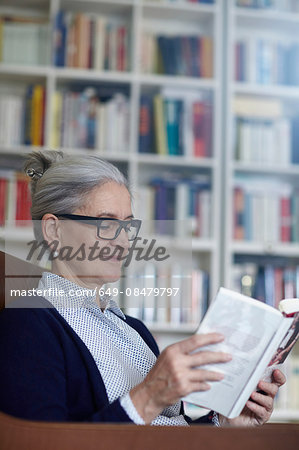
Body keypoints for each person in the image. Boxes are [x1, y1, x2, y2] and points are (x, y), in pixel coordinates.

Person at [0, 150, 285, 426]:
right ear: (54, 230)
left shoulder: (135, 330)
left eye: (127, 226)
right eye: (107, 223)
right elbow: (38, 444)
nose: (124, 242)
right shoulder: (27, 324)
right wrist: (148, 396)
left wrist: (224, 422)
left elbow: (168, 429)